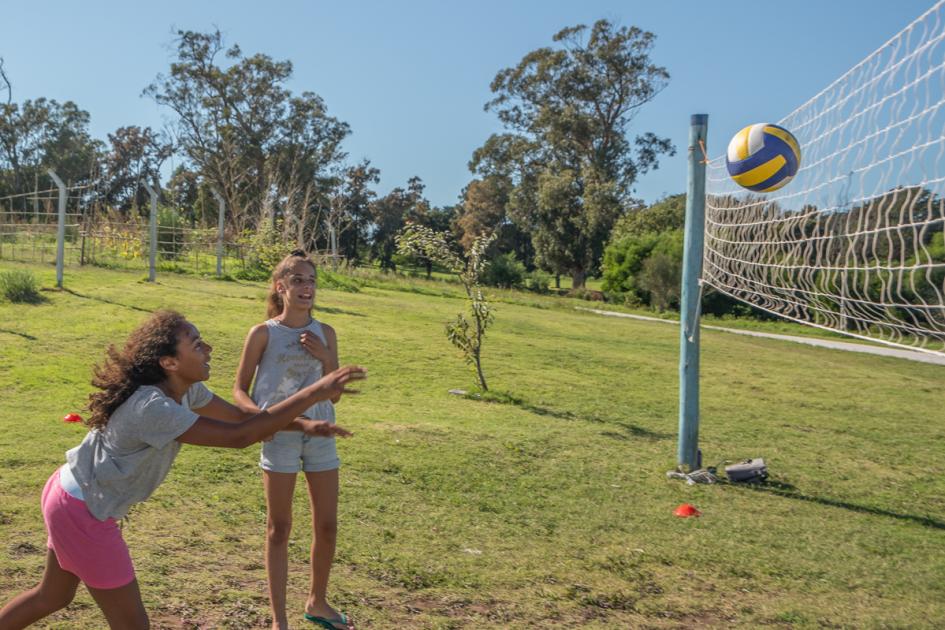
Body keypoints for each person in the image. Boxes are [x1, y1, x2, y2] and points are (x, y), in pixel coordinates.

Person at [0, 310, 365, 630]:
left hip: (68, 493)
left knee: (52, 597)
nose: (208, 350)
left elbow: (242, 417)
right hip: (84, 510)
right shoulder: (153, 407)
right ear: (169, 362)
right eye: (197, 345)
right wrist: (316, 391)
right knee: (133, 626)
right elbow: (239, 437)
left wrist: (303, 425)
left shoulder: (185, 391)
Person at [233, 250, 352, 630]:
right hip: (280, 437)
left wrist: (325, 358)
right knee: (279, 528)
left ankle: (317, 602)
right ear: (280, 287)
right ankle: (278, 620)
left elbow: (333, 394)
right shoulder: (263, 333)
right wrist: (260, 420)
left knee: (328, 525)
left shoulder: (327, 333)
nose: (307, 287)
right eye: (298, 280)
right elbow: (239, 390)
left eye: (312, 280)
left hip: (321, 435)